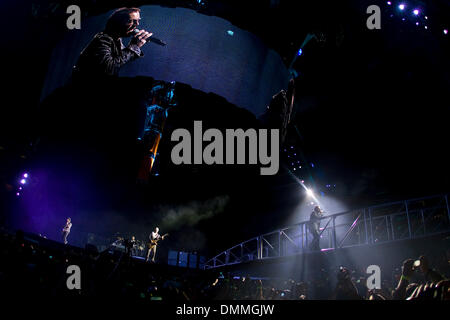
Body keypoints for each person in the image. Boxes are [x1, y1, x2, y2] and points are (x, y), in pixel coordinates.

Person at [72, 7, 152, 81]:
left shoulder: (116, 39)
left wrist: (135, 46)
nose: (136, 25)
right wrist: (135, 46)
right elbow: (109, 68)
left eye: (138, 21)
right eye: (131, 21)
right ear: (117, 23)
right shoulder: (103, 39)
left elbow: (121, 59)